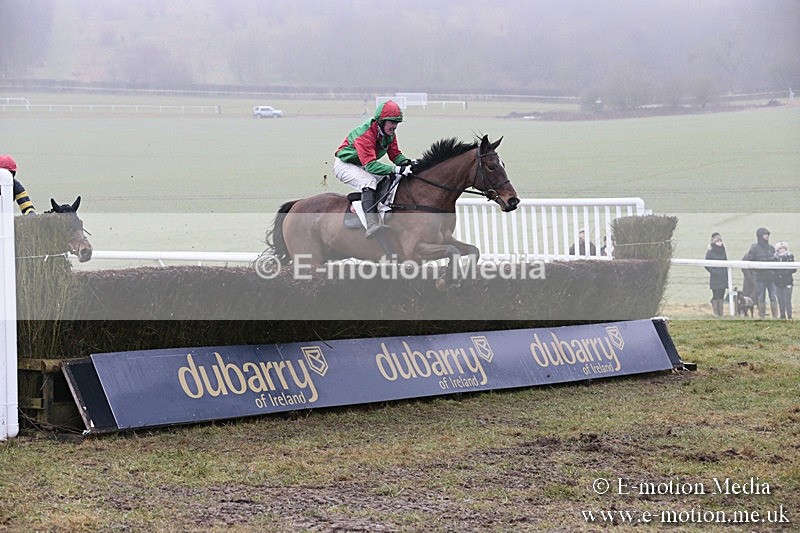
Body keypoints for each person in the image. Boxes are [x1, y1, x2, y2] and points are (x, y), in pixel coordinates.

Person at [334, 100, 413, 238]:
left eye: (396, 123)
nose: (394, 126)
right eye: (391, 122)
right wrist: (397, 169)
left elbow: (395, 155)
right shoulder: (365, 135)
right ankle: (371, 224)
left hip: (361, 164)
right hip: (345, 165)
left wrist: (408, 163)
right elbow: (370, 165)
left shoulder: (389, 134)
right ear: (381, 121)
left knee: (388, 178)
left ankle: (381, 210)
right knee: (368, 181)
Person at [743, 227, 778, 319]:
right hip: (760, 278)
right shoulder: (754, 249)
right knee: (761, 298)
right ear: (760, 236)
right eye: (765, 234)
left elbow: (776, 261)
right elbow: (748, 261)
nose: (767, 236)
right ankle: (761, 316)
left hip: (771, 278)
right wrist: (757, 271)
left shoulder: (771, 248)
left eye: (767, 234)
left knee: (773, 297)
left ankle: (775, 316)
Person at [704, 232, 728, 317]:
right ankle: (716, 313)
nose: (720, 242)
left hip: (723, 277)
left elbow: (726, 262)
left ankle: (721, 313)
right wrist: (715, 272)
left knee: (721, 295)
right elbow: (706, 265)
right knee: (716, 295)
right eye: (718, 241)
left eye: (720, 240)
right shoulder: (710, 251)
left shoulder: (723, 250)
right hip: (715, 277)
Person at [773, 241, 795, 320]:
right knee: (780, 300)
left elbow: (793, 269)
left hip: (787, 283)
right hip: (777, 283)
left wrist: (784, 273)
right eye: (780, 248)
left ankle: (789, 316)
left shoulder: (790, 257)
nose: (782, 250)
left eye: (783, 248)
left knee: (787, 300)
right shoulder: (775, 258)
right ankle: (782, 316)